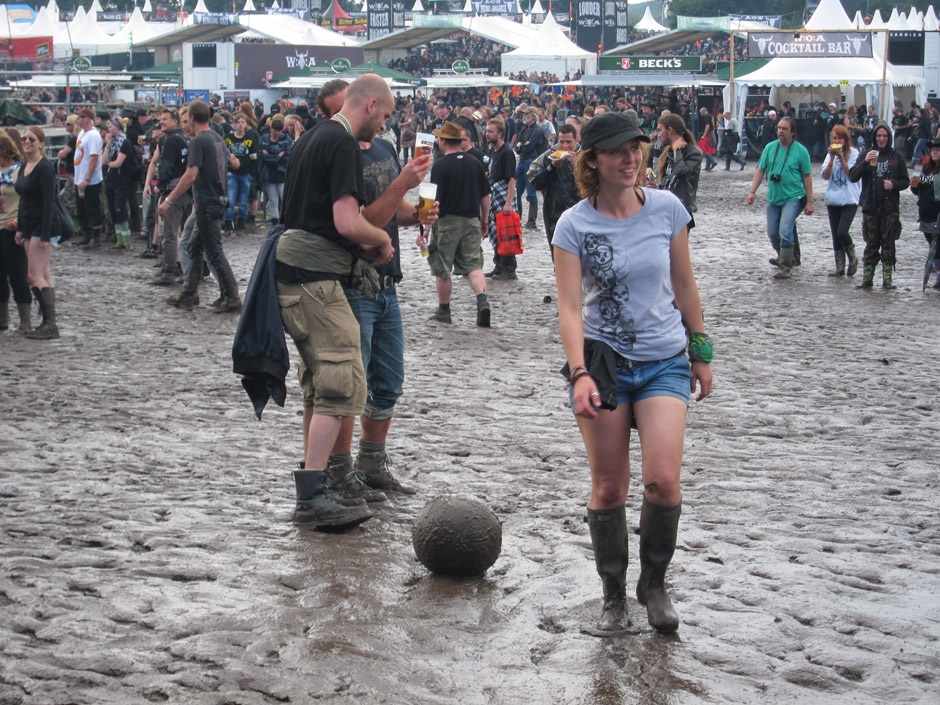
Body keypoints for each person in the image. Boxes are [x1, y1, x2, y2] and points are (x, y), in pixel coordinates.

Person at [552, 111, 712, 636]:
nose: (631, 158)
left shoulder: (667, 207)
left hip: (665, 359)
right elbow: (571, 306)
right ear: (592, 160)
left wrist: (701, 348)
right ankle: (613, 597)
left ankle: (655, 584)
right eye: (618, 150)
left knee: (663, 481)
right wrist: (579, 373)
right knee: (609, 488)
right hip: (604, 366)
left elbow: (684, 284)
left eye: (637, 148)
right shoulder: (574, 223)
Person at [275, 74, 396, 529]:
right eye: (384, 117)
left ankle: (317, 486)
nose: (383, 127)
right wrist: (381, 238)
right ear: (368, 106)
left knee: (317, 384)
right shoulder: (343, 143)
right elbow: (347, 222)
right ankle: (311, 497)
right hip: (315, 279)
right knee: (340, 380)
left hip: (295, 275)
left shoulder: (310, 137)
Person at [159, 100, 242, 312]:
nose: (186, 124)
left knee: (214, 252)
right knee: (193, 247)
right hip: (217, 200)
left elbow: (190, 174)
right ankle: (189, 294)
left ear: (193, 119)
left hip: (207, 202)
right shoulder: (217, 138)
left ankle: (231, 296)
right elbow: (233, 164)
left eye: (187, 120)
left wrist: (169, 200)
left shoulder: (198, 141)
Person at [427, 121, 491, 325]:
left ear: (444, 141)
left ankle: (444, 311)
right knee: (474, 265)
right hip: (471, 220)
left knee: (443, 268)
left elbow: (432, 200)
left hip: (446, 223)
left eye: (439, 138)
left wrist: (426, 227)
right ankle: (482, 301)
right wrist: (484, 219)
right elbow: (485, 196)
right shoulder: (475, 163)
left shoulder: (440, 166)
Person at [746, 116, 814, 279]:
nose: (780, 131)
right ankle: (783, 255)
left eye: (784, 129)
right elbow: (760, 170)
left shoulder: (800, 151)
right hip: (773, 197)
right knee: (772, 233)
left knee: (785, 230)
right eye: (779, 128)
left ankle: (785, 265)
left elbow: (807, 176)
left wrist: (810, 202)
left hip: (793, 197)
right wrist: (752, 191)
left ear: (792, 132)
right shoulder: (770, 148)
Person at [848, 122, 910, 288]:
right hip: (870, 206)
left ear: (889, 137)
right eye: (879, 136)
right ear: (874, 137)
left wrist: (894, 184)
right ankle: (867, 279)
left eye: (884, 136)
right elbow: (853, 176)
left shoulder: (897, 156)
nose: (882, 139)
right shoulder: (867, 154)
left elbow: (906, 181)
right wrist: (864, 162)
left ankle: (887, 280)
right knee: (871, 243)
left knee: (889, 244)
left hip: (890, 208)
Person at [14, 126, 60, 339]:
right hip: (28, 225)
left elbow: (50, 201)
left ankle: (50, 324)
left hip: (42, 227)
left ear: (41, 143)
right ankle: (47, 321)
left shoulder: (44, 168)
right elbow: (23, 199)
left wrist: (44, 233)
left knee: (33, 275)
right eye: (24, 139)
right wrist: (21, 227)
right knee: (43, 275)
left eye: (31, 139)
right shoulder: (26, 166)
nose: (27, 142)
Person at [149, 108, 190, 286]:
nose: (162, 122)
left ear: (176, 121)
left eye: (165, 119)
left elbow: (165, 166)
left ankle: (168, 270)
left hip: (173, 190)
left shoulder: (171, 140)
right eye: (161, 119)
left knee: (169, 233)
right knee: (185, 232)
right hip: (187, 189)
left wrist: (159, 184)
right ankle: (186, 267)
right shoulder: (185, 138)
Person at [527, 123, 580, 257]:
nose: (565, 146)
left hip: (580, 212)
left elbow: (594, 187)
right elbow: (536, 183)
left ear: (576, 140)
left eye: (569, 142)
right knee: (559, 255)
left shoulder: (585, 157)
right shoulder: (548, 156)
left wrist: (577, 169)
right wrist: (552, 166)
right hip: (554, 213)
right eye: (561, 142)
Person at [820, 125, 861, 276]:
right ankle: (840, 267)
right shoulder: (829, 154)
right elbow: (825, 175)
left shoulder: (854, 153)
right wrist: (831, 158)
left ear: (846, 139)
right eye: (835, 138)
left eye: (840, 138)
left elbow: (851, 174)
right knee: (835, 235)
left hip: (850, 198)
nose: (837, 141)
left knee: (842, 231)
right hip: (833, 199)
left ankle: (853, 257)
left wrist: (840, 157)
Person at [0, 131, 29, 332]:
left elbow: (29, 200)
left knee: (18, 275)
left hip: (13, 228)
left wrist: (19, 222)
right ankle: (2, 318)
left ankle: (25, 320)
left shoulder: (21, 171)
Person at [483, 117, 517, 280]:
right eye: (486, 130)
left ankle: (509, 269)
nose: (486, 134)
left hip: (503, 198)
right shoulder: (493, 151)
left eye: (490, 131)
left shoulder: (507, 153)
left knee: (506, 233)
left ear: (500, 134)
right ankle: (499, 265)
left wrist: (508, 203)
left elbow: (511, 179)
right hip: (494, 197)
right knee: (496, 232)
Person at [655, 113, 703, 230]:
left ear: (670, 130)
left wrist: (677, 151)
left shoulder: (693, 152)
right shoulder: (667, 152)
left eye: (660, 130)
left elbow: (681, 171)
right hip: (666, 207)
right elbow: (667, 178)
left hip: (682, 208)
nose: (659, 135)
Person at [103, 117, 137, 250]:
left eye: (111, 126)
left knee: (119, 208)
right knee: (112, 209)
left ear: (118, 128)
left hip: (122, 179)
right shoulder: (112, 142)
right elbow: (104, 160)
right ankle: (119, 239)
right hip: (111, 178)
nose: (109, 129)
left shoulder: (125, 142)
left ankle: (126, 239)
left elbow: (118, 162)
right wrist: (107, 145)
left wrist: (109, 164)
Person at [911, 137, 940, 289]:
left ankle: (939, 277)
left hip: (938, 215)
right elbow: (919, 191)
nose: (934, 152)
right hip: (925, 214)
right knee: (933, 246)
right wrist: (914, 185)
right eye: (933, 150)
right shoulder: (926, 168)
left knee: (938, 246)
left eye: (938, 150)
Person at [73, 107, 104, 249]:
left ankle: (95, 237)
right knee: (81, 208)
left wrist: (87, 178)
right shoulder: (81, 133)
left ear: (87, 119)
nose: (78, 120)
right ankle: (86, 234)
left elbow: (94, 158)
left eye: (80, 117)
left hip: (90, 179)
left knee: (92, 207)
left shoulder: (93, 135)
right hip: (79, 177)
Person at [514, 106, 549, 226]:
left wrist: (521, 145)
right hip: (522, 160)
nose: (524, 116)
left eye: (527, 114)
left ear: (533, 117)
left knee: (531, 191)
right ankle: (517, 217)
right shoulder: (524, 130)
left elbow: (529, 147)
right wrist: (521, 146)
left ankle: (531, 220)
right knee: (517, 191)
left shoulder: (537, 131)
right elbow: (516, 147)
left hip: (531, 161)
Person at [223, 114, 258, 232]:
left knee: (244, 201)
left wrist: (252, 174)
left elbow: (254, 159)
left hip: (245, 174)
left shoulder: (250, 139)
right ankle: (228, 222)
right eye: (238, 122)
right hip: (231, 174)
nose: (240, 124)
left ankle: (242, 222)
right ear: (234, 123)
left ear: (246, 124)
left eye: (243, 122)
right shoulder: (228, 138)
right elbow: (223, 156)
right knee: (231, 200)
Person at [259, 117, 293, 226]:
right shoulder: (264, 139)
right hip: (269, 174)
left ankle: (287, 218)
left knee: (285, 198)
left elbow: (287, 155)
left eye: (279, 130)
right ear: (271, 128)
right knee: (273, 200)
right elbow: (261, 155)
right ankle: (274, 220)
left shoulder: (286, 139)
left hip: (282, 173)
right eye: (275, 130)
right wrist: (278, 155)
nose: (277, 133)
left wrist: (269, 155)